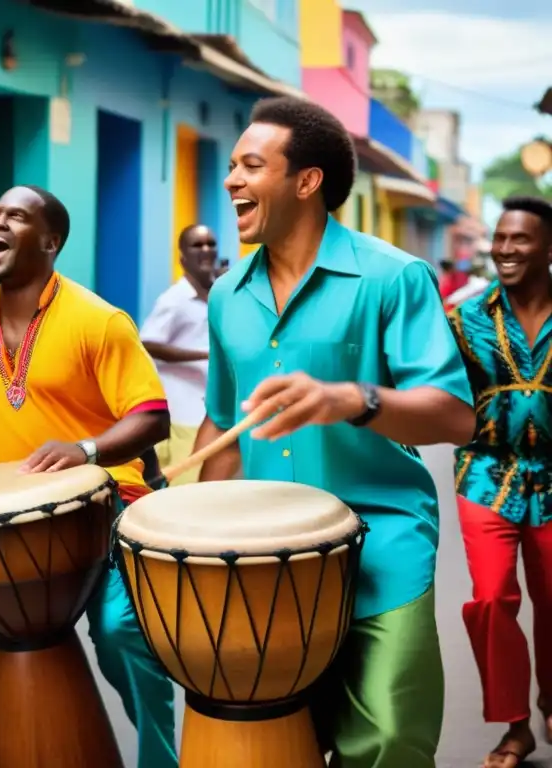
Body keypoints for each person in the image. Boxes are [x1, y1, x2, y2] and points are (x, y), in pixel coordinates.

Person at [194, 96, 476, 767]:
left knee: (387, 739)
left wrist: (352, 398)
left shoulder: (395, 276)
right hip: (267, 553)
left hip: (383, 545)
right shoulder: (226, 296)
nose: (230, 179)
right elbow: (223, 425)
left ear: (307, 180)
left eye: (251, 165)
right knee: (272, 738)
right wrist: (195, 526)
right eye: (231, 166)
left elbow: (455, 416)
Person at [0, 184, 178, 768]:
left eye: (16, 215)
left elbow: (152, 417)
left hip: (114, 508)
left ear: (50, 241)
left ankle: (161, 761)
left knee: (118, 634)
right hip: (25, 523)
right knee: (31, 646)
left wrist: (86, 449)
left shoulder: (99, 320)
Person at [447, 196, 552, 768]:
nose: (506, 250)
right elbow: (429, 383)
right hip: (486, 474)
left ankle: (551, 701)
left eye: (521, 240)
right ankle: (516, 725)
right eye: (501, 238)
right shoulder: (464, 319)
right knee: (490, 599)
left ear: (550, 249)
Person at [140, 224, 215, 485]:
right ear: (182, 257)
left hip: (210, 413)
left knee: (209, 489)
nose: (206, 250)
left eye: (210, 243)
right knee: (185, 489)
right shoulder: (175, 299)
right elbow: (147, 342)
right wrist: (204, 355)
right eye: (197, 245)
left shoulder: (217, 294)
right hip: (183, 415)